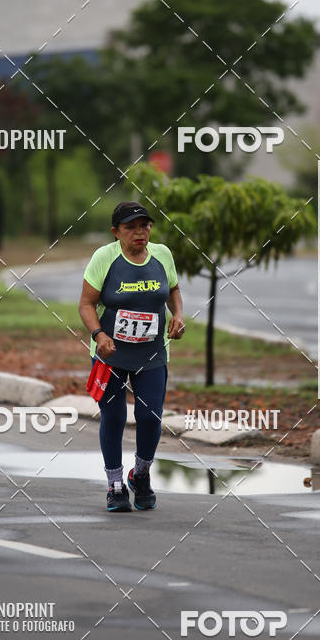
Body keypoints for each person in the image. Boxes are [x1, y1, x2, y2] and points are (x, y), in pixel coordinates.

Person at [78, 201, 185, 512]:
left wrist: (177, 315)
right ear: (116, 232)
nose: (140, 232)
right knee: (114, 416)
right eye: (130, 227)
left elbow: (174, 290)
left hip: (152, 352)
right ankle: (114, 484)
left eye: (145, 225)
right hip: (110, 354)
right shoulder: (104, 258)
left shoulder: (162, 255)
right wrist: (99, 335)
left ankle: (140, 475)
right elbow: (86, 304)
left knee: (150, 416)